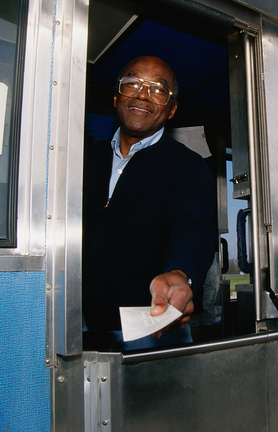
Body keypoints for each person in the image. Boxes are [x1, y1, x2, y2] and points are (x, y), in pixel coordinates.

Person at [82, 56, 216, 351]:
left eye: (158, 89)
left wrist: (181, 273)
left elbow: (194, 228)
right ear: (117, 96)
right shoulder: (82, 160)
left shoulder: (187, 166)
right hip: (75, 324)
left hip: (150, 328)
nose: (143, 94)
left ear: (172, 110)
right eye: (133, 83)